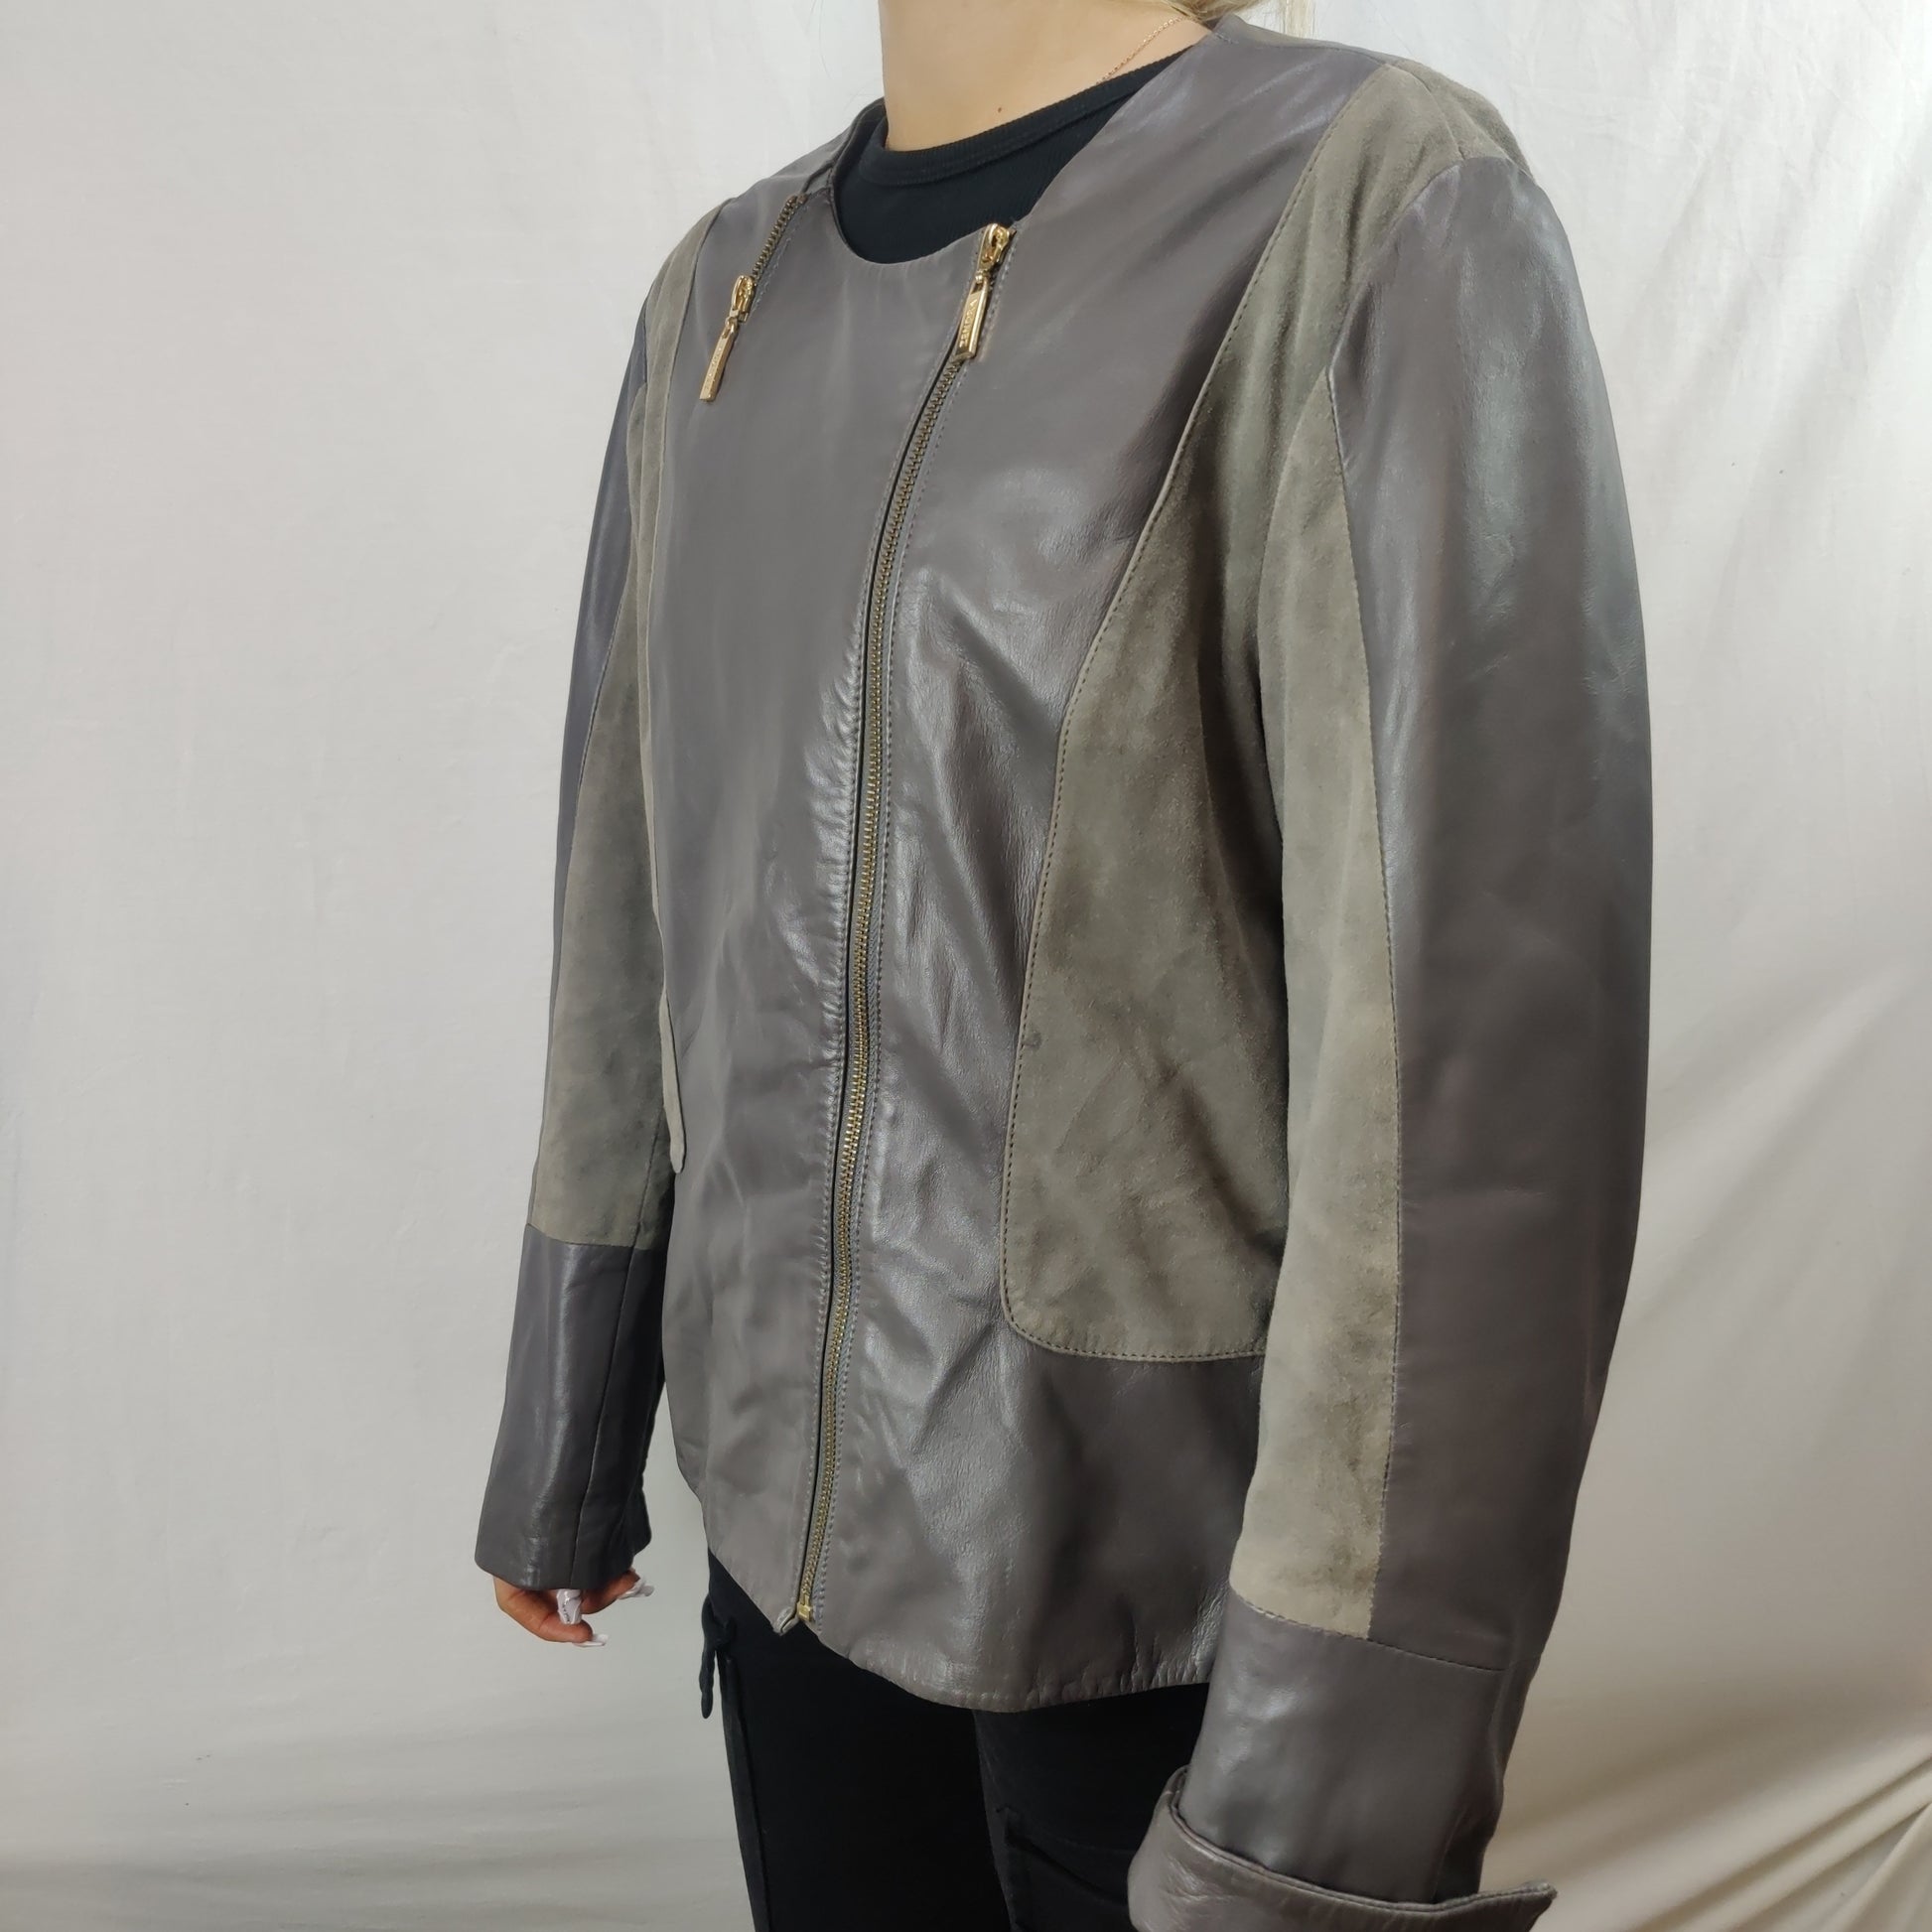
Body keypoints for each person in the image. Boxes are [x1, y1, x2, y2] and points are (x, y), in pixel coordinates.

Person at [476, 3, 1652, 1928]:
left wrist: (1333, 1799)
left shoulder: (1367, 198)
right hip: (777, 1547)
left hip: (1153, 1606)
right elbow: (624, 875)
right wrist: (570, 1415)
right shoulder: (719, 290)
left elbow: (1474, 1086)